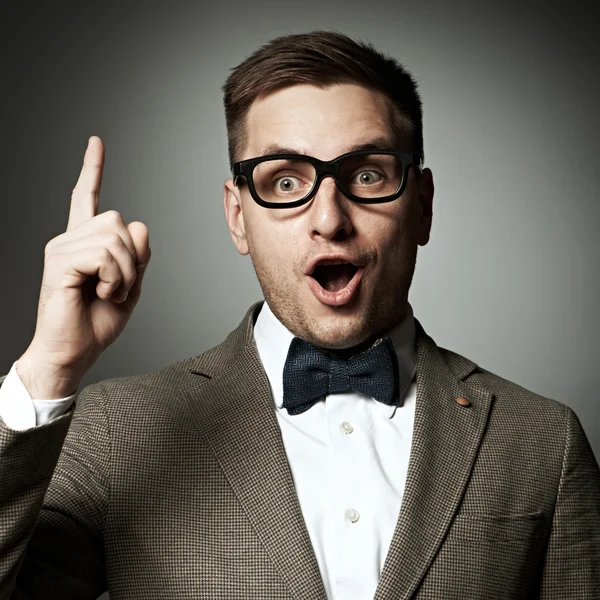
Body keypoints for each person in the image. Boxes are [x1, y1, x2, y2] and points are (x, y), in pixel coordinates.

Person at [0, 30, 598, 600]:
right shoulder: (115, 432)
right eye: (286, 182)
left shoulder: (544, 442)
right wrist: (47, 369)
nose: (329, 218)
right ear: (238, 215)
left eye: (367, 175)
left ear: (422, 206)